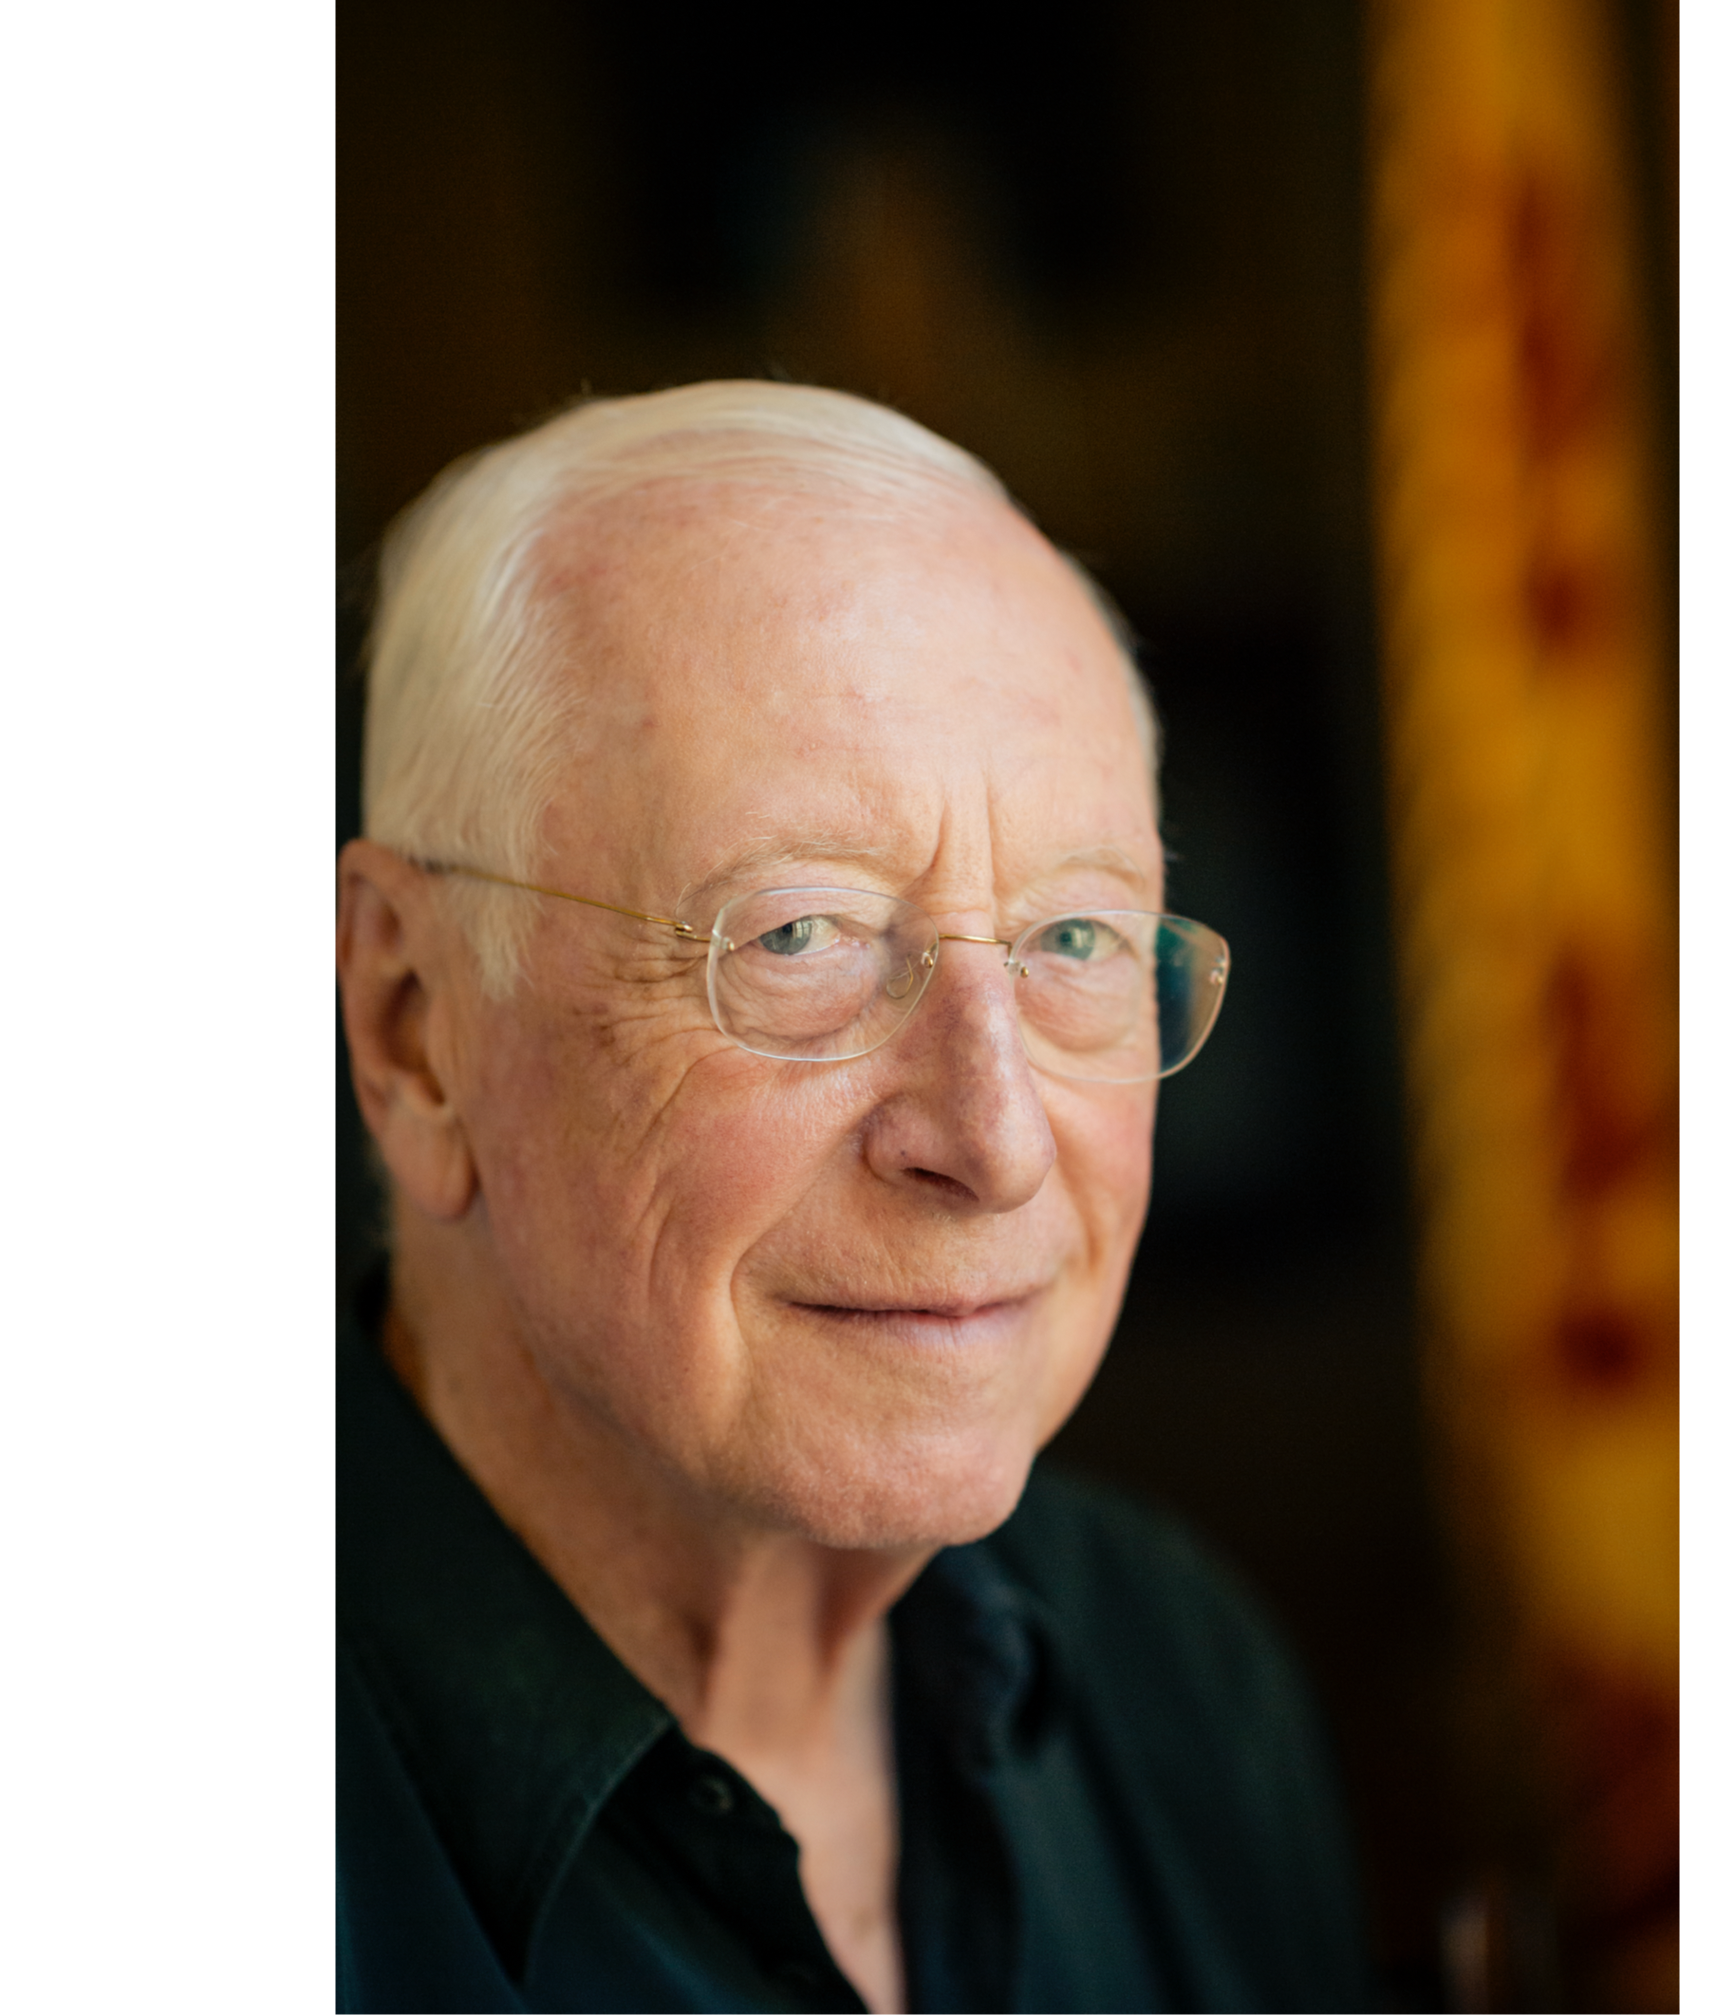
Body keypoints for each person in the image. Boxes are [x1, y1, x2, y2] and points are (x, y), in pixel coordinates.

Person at [335, 382, 1370, 2014]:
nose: (998, 1139)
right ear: (414, 1026)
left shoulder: (1179, 1675)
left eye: (1075, 938)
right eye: (797, 934)